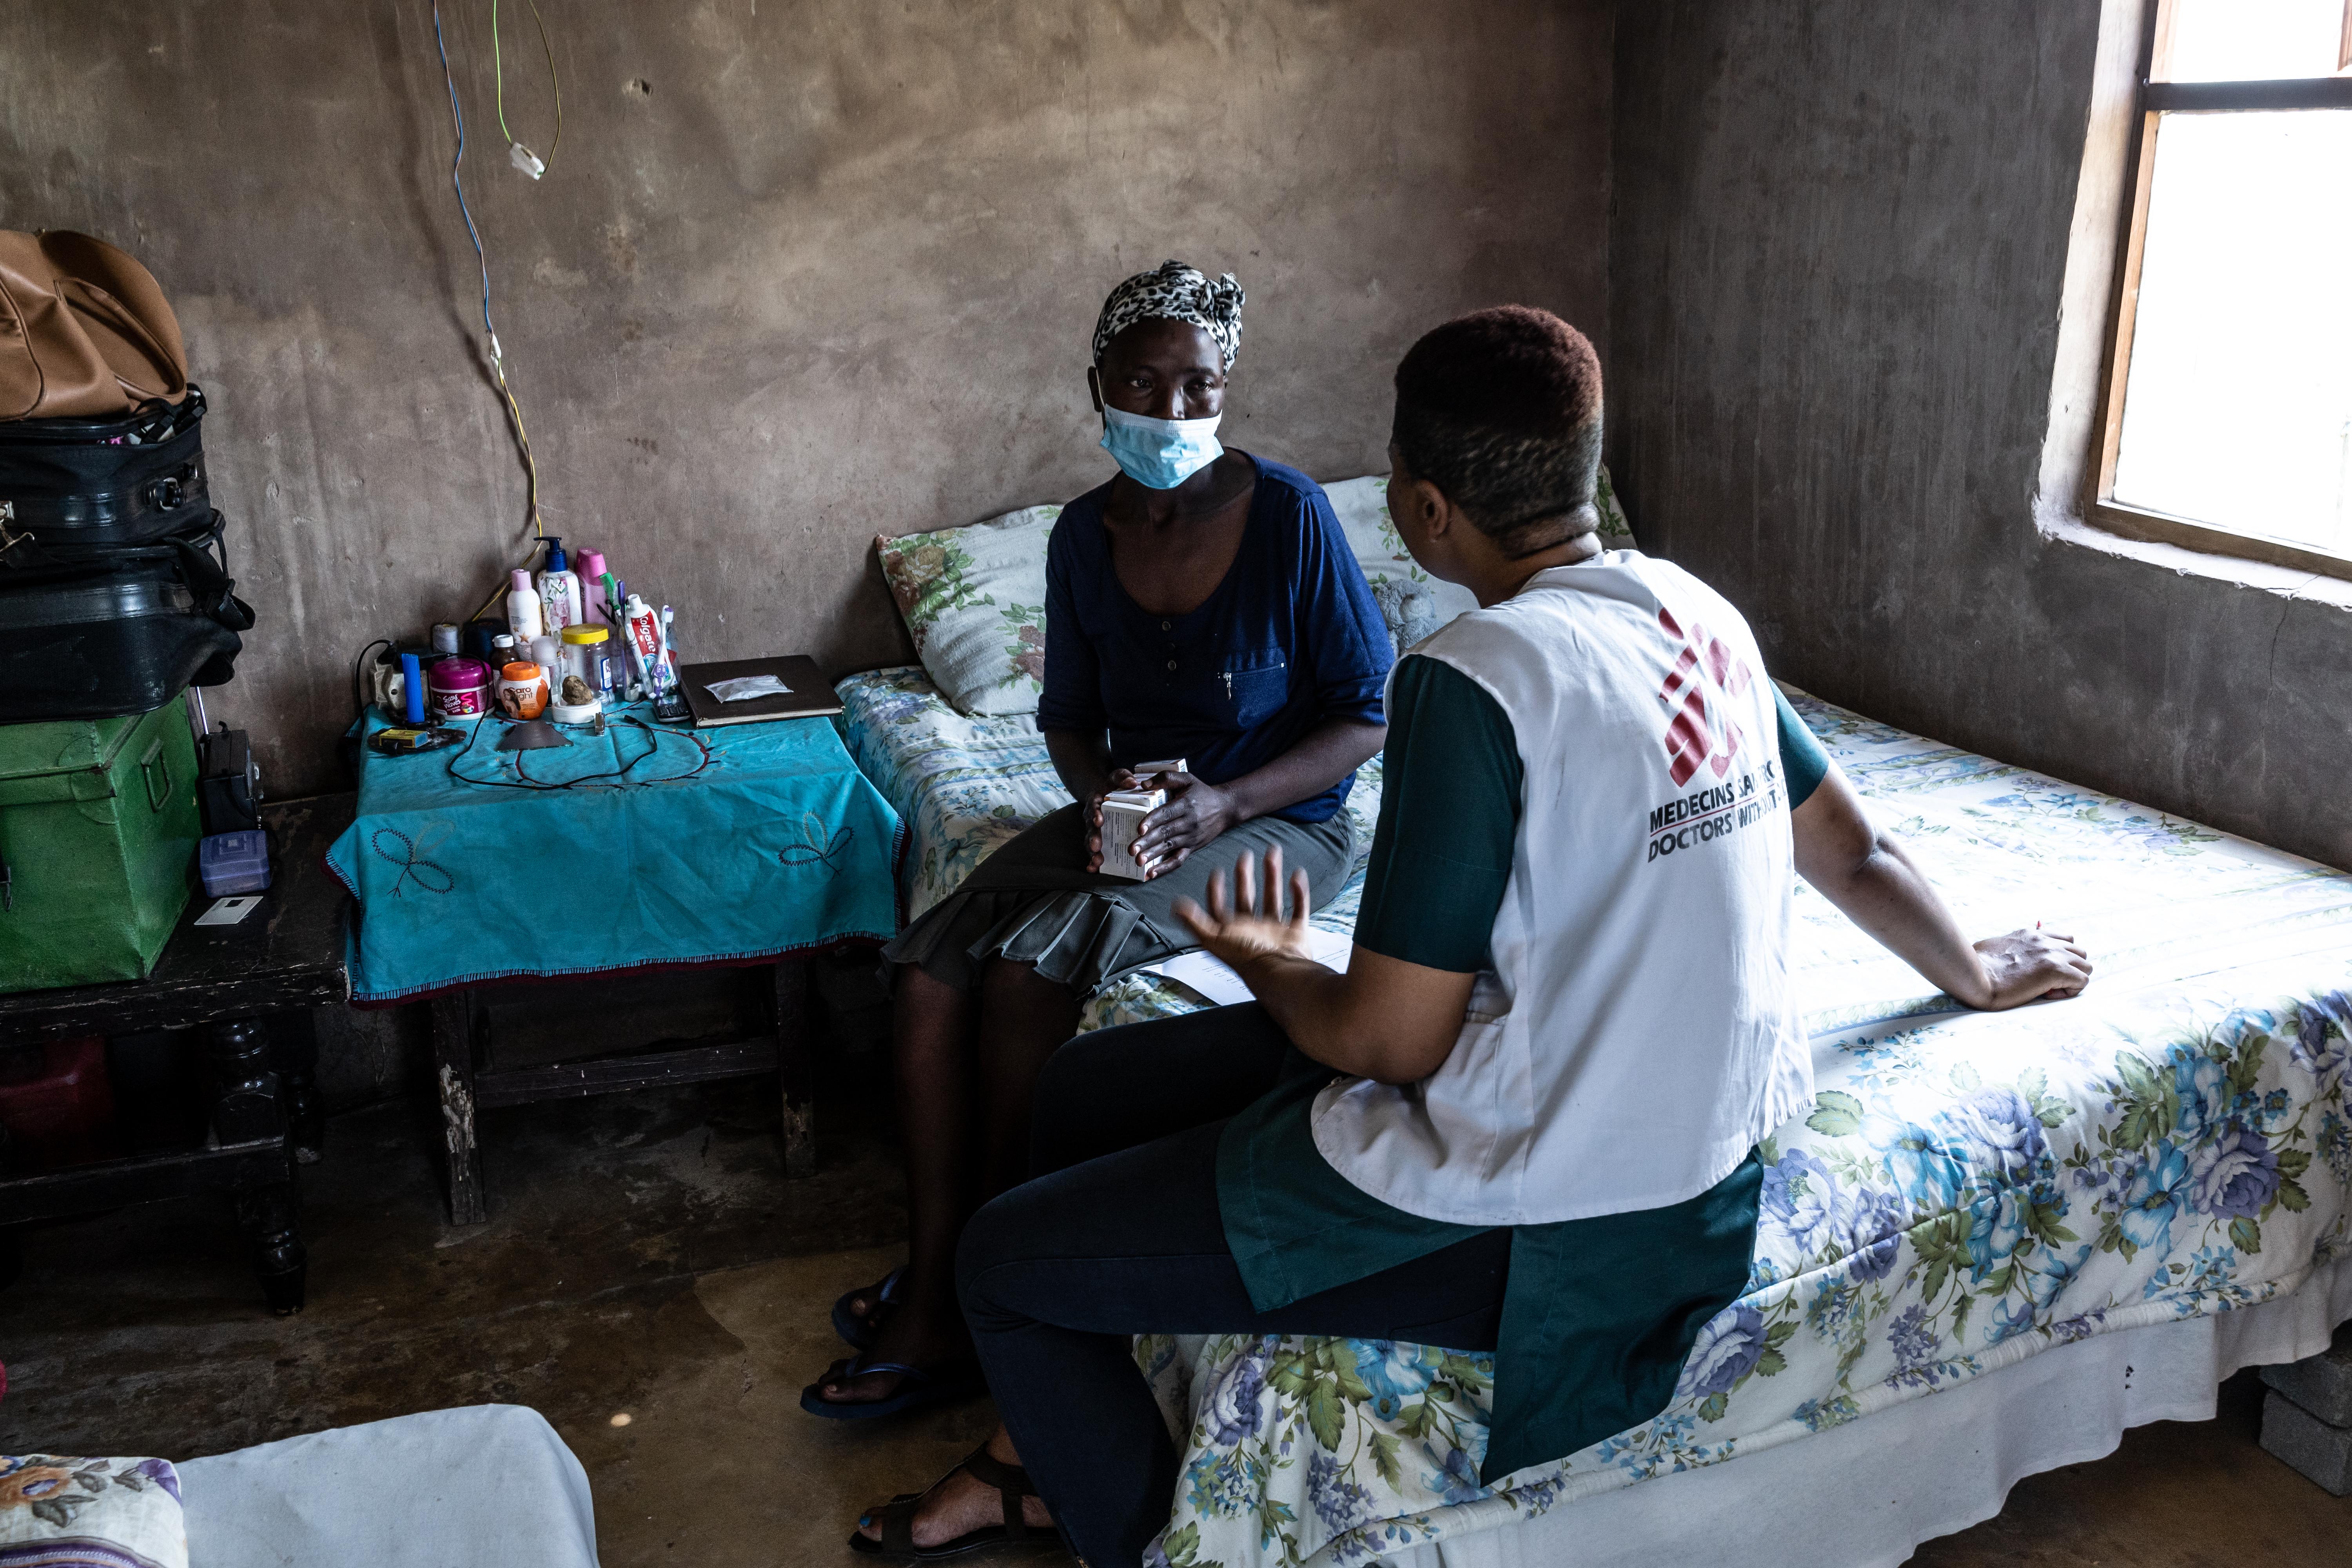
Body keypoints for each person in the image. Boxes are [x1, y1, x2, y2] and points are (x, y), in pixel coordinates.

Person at [847, 307, 2094, 1560]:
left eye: (1394, 473)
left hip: (1554, 1217)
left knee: (1004, 1263)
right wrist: (1974, 973)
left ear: (1428, 511)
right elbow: (1859, 854)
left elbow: (1387, 1041)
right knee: (1082, 1092)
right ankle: (1034, 1455)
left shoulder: (1468, 678)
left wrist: (1266, 957)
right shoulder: (1699, 614)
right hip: (1703, 1155)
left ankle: (1106, 1523)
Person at [805, 261, 1394, 1418]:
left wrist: (1221, 807)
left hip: (1281, 819)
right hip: (1129, 811)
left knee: (1033, 968)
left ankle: (993, 1287)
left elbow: (1363, 717)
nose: (1172, 412)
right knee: (930, 972)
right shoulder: (1084, 536)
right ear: (1098, 384)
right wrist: (1107, 795)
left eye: (1198, 386)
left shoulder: (1291, 520)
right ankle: (938, 1279)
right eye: (1144, 382)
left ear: (1227, 387)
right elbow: (1068, 720)